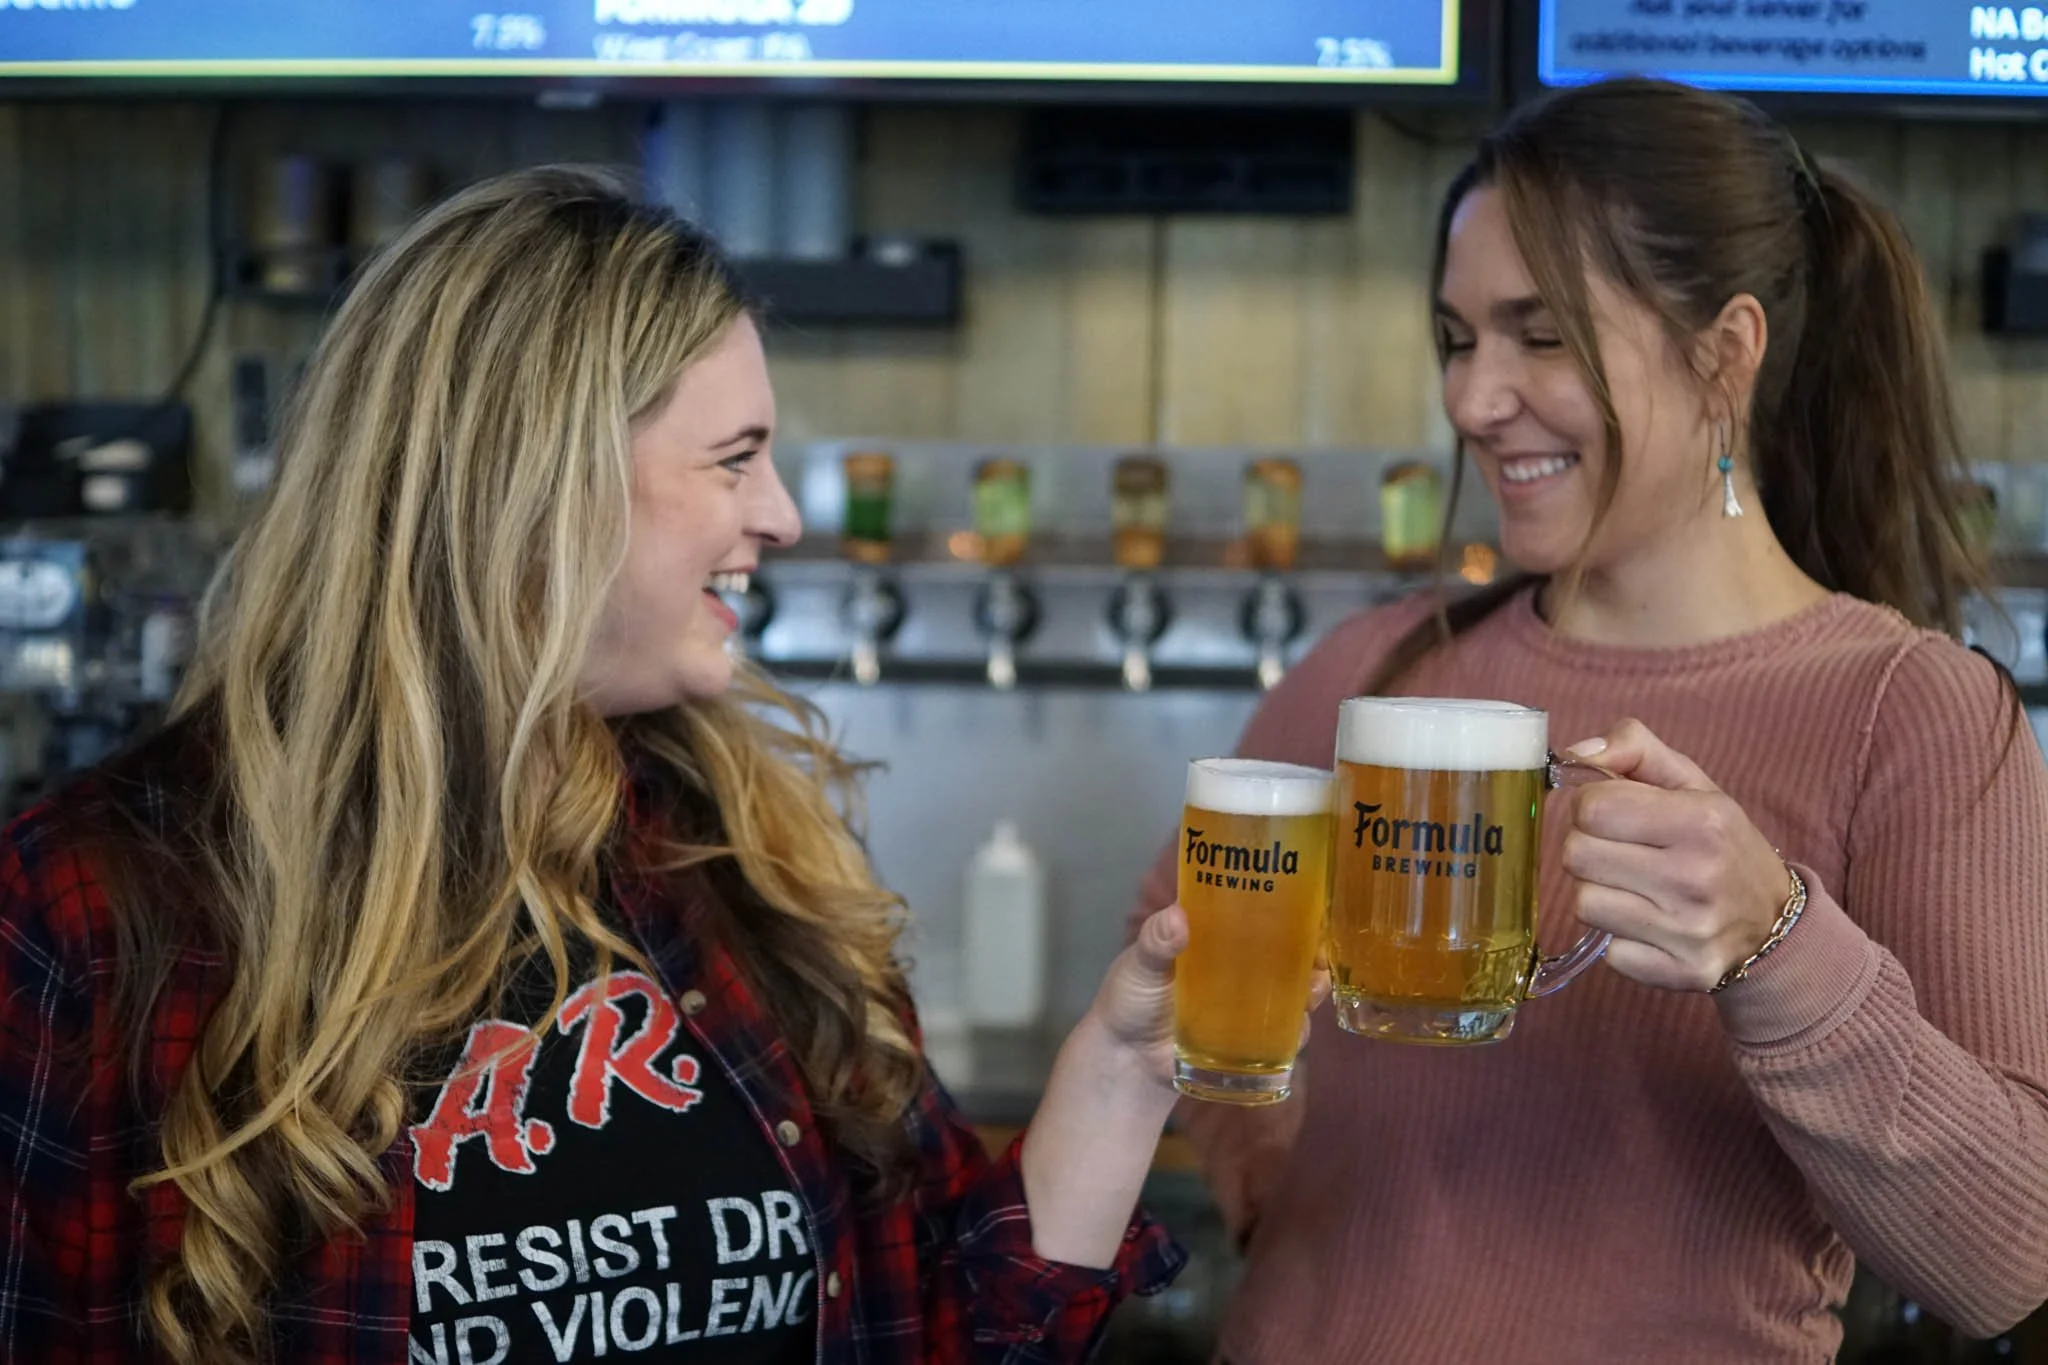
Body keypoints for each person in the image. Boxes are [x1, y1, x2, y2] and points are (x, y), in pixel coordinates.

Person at [0, 165, 1224, 1365]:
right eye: (733, 458)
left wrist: (1118, 1072)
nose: (783, 516)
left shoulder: (741, 856)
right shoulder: (100, 910)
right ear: (536, 485)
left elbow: (936, 1326)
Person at [1131, 77, 2048, 1362]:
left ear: (1722, 351)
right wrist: (1281, 1204)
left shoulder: (1910, 713)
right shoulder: (1374, 670)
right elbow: (1174, 947)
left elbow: (2006, 1259)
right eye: (1457, 340)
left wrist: (1770, 945)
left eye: (1539, 333)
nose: (1471, 400)